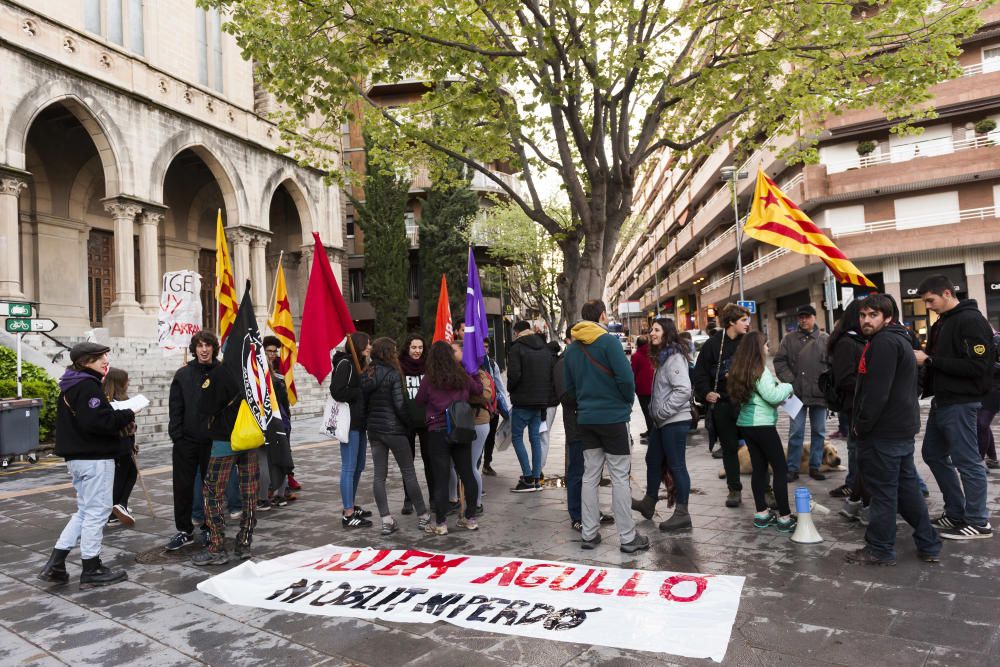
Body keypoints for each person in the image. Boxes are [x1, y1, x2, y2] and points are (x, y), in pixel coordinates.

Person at [845, 294, 941, 564]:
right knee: (907, 489)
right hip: (898, 430)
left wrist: (861, 427)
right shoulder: (898, 339)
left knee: (884, 493)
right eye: (863, 315)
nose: (866, 320)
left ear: (887, 317)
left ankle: (880, 548)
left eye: (872, 315)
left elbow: (877, 393)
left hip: (884, 432)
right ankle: (929, 543)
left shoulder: (885, 342)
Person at [38, 342, 135, 587]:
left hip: (78, 459)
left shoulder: (71, 385)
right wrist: (127, 413)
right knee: (97, 512)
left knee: (84, 511)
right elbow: (98, 423)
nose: (105, 361)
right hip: (94, 459)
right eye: (99, 357)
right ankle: (91, 567)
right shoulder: (88, 386)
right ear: (84, 362)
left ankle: (56, 563)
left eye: (105, 356)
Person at [565, 299, 649, 554]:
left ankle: (589, 533)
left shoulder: (572, 349)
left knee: (590, 476)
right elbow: (626, 379)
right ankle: (627, 537)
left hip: (586, 420)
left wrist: (584, 404)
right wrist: (624, 403)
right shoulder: (610, 342)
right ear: (603, 315)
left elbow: (568, 390)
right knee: (619, 476)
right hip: (613, 419)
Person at [916, 275, 994, 540]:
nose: (928, 305)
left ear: (947, 294)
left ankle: (978, 521)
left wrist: (930, 360)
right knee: (932, 454)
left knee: (968, 461)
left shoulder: (970, 320)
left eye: (930, 300)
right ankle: (956, 512)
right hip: (944, 401)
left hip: (962, 401)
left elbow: (977, 366)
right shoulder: (944, 322)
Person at [728, 332, 797, 533]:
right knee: (780, 469)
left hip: (747, 425)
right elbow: (772, 396)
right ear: (758, 348)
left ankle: (762, 514)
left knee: (759, 468)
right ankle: (784, 517)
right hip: (763, 426)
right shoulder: (761, 370)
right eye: (766, 345)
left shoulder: (740, 369)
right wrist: (787, 386)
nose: (768, 348)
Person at [193, 357, 260, 565]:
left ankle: (216, 546)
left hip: (225, 440)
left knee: (212, 492)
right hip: (250, 437)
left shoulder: (219, 373)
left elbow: (205, 407)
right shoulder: (256, 371)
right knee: (249, 492)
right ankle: (244, 542)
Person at [363, 337, 431, 535]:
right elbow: (400, 405)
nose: (395, 353)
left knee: (379, 475)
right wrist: (408, 424)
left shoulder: (366, 373)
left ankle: (386, 520)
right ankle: (423, 516)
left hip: (374, 431)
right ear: (387, 353)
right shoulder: (393, 374)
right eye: (393, 350)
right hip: (395, 430)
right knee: (409, 472)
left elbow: (364, 405)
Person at [415, 341, 483, 534]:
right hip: (461, 430)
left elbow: (420, 401)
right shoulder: (461, 374)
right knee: (467, 473)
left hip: (438, 431)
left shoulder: (430, 378)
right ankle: (470, 518)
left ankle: (441, 523)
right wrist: (473, 370)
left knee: (441, 477)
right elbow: (478, 389)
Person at [632, 318, 694, 532]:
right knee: (653, 459)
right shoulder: (663, 357)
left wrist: (662, 411)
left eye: (656, 330)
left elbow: (684, 390)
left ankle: (682, 513)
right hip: (663, 423)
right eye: (651, 330)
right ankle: (649, 503)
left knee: (677, 465)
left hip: (674, 421)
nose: (652, 333)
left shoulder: (674, 357)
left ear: (667, 332)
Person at [165, 331, 219, 550]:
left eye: (207, 345)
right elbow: (175, 408)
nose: (204, 350)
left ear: (214, 348)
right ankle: (184, 530)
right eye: (199, 346)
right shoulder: (183, 374)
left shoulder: (222, 373)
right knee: (183, 486)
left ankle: (209, 527)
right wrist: (177, 435)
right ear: (194, 349)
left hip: (213, 441)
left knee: (212, 486)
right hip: (186, 441)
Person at [692, 303, 750, 507]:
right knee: (729, 449)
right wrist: (706, 392)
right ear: (731, 322)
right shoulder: (712, 345)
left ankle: (766, 489)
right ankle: (734, 489)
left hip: (747, 404)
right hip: (724, 405)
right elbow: (699, 373)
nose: (747, 324)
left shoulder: (749, 343)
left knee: (757, 447)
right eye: (743, 320)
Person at [825, 301, 872, 521]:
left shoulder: (861, 339)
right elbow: (845, 378)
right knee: (857, 450)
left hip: (862, 405)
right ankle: (855, 492)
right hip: (854, 406)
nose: (868, 320)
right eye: (864, 315)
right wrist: (872, 386)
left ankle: (856, 494)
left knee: (860, 451)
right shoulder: (847, 342)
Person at [774, 304, 830, 481]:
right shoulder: (788, 339)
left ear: (814, 318)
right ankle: (792, 468)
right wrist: (791, 381)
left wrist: (827, 385)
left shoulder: (825, 339)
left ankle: (815, 466)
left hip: (819, 394)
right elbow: (779, 362)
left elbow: (832, 365)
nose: (804, 320)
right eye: (801, 317)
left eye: (807, 316)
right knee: (795, 432)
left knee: (819, 431)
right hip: (794, 394)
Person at [506, 320, 556, 492]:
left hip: (522, 401)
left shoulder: (516, 348)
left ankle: (527, 477)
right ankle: (536, 477)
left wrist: (510, 389)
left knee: (517, 437)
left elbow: (514, 376)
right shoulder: (544, 348)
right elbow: (550, 374)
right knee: (535, 438)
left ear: (516, 332)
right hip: (541, 402)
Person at [331, 332, 373, 528]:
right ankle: (348, 514)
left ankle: (351, 504)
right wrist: (359, 391)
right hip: (349, 424)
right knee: (349, 467)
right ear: (357, 345)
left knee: (359, 466)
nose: (369, 347)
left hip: (361, 423)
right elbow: (337, 391)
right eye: (367, 344)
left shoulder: (361, 363)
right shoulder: (346, 364)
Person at [102, 367, 138, 528]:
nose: (128, 382)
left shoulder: (106, 399)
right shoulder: (121, 401)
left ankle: (119, 506)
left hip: (113, 444)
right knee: (127, 474)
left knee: (119, 476)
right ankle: (117, 508)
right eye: (126, 380)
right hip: (122, 444)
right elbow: (127, 426)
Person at [262, 336, 295, 507]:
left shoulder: (278, 374)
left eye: (275, 351)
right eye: (269, 351)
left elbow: (284, 403)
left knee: (280, 456)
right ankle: (273, 492)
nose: (273, 354)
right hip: (269, 422)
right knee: (268, 458)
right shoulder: (261, 374)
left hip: (280, 421)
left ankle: (280, 493)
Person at [399, 333, 430, 513]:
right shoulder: (398, 367)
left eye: (420, 347)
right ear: (407, 348)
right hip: (406, 423)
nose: (417, 351)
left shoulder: (429, 367)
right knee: (407, 463)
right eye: (413, 347)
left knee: (430, 461)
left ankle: (433, 497)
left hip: (427, 422)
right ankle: (408, 498)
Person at [480, 337, 510, 476]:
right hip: (479, 408)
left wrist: (504, 405)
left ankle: (487, 463)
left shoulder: (492, 364)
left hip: (493, 407)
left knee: (491, 436)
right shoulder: (472, 362)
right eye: (482, 346)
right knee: (479, 438)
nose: (484, 349)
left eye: (486, 346)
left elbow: (500, 387)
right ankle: (477, 464)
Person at [977, 329, 1000, 469]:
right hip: (984, 389)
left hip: (996, 391)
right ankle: (992, 458)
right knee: (982, 425)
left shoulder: (996, 341)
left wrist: (989, 366)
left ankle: (979, 460)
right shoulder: (979, 343)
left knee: (981, 425)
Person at [631, 336, 655, 441]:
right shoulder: (653, 354)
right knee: (653, 411)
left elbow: (633, 372)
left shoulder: (636, 356)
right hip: (654, 386)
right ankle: (651, 430)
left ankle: (652, 433)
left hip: (642, 388)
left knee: (647, 412)